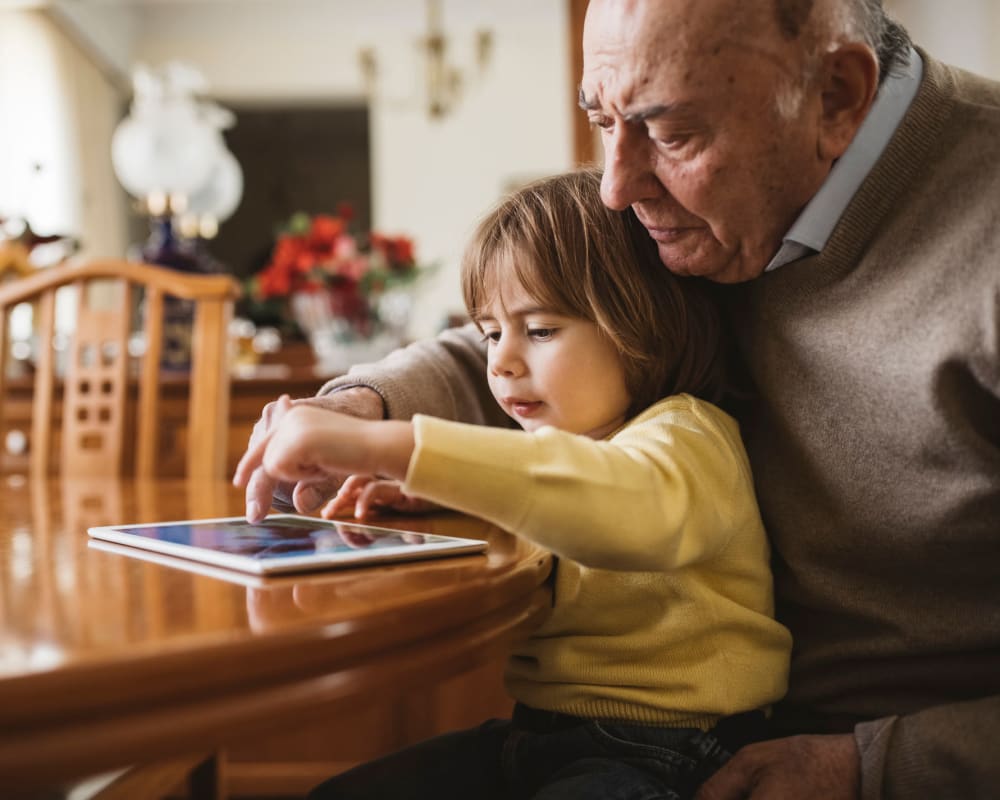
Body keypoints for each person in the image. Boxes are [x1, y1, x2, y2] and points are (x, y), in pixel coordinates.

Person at [241, 1, 1000, 796]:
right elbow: (541, 332)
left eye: (672, 135)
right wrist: (362, 407)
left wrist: (875, 767)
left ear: (837, 97)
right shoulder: (713, 201)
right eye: (603, 121)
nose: (615, 188)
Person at [235, 169, 793, 799]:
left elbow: (617, 506)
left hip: (675, 751)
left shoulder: (689, 436)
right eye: (492, 332)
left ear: (643, 320)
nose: (500, 361)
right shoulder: (558, 445)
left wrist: (384, 445)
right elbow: (543, 483)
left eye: (541, 330)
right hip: (539, 736)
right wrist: (439, 484)